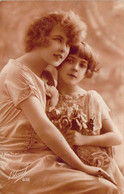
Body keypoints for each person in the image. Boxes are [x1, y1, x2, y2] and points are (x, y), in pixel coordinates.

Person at [0, 10, 118, 194]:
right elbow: (44, 128)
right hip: (16, 166)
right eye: (58, 39)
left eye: (68, 43)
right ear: (40, 36)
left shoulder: (45, 77)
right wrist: (82, 167)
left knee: (109, 181)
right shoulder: (16, 73)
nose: (64, 48)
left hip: (41, 159)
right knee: (103, 188)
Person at [46, 42, 124, 193]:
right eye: (70, 61)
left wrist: (84, 139)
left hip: (94, 163)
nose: (75, 68)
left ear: (86, 71)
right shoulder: (47, 97)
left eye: (82, 65)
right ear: (60, 61)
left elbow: (116, 137)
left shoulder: (91, 98)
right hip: (60, 165)